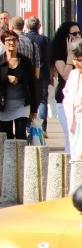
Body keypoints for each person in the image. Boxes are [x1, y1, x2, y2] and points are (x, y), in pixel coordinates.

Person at [0, 30, 40, 140]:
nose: (12, 43)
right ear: (3, 43)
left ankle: (21, 157)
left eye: (14, 40)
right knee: (7, 136)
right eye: (8, 40)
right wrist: (6, 78)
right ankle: (10, 157)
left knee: (21, 135)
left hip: (22, 104)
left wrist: (34, 109)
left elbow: (32, 84)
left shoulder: (25, 61)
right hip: (3, 105)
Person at [49, 20, 82, 155]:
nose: (78, 36)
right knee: (70, 135)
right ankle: (72, 167)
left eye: (79, 33)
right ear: (66, 36)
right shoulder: (59, 53)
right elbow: (65, 75)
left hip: (80, 99)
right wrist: (69, 55)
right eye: (74, 34)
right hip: (64, 100)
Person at [64, 40, 82, 159]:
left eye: (80, 60)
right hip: (73, 125)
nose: (77, 63)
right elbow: (67, 94)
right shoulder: (73, 74)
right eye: (75, 59)